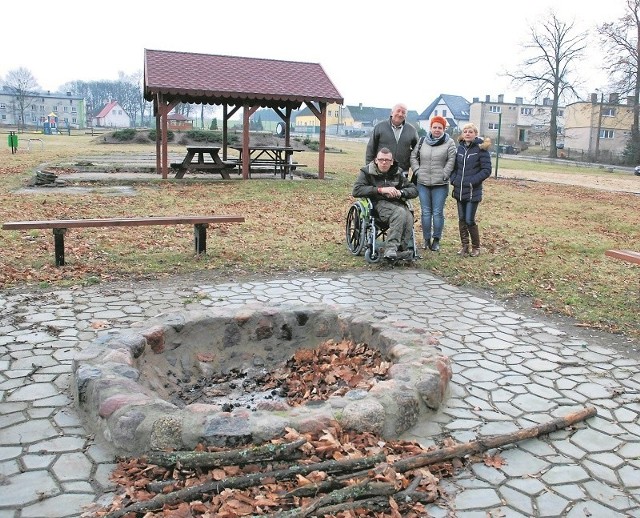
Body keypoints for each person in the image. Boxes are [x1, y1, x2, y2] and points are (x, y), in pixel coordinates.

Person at [352, 147, 418, 260]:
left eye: (387, 160)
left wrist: (400, 192)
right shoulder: (367, 172)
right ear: (376, 160)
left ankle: (401, 249)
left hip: (396, 202)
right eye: (381, 159)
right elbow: (357, 190)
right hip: (377, 205)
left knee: (408, 215)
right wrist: (380, 190)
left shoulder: (398, 173)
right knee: (400, 213)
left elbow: (414, 190)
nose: (384, 162)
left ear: (392, 161)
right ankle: (391, 249)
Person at [410, 115, 457, 252]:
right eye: (434, 127)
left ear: (444, 129)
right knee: (425, 212)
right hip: (423, 182)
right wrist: (417, 170)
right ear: (430, 127)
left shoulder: (450, 143)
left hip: (440, 184)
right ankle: (426, 239)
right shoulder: (422, 141)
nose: (437, 130)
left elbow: (451, 160)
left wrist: (445, 174)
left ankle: (436, 240)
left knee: (437, 212)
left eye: (440, 127)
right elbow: (413, 156)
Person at [449, 122, 492, 257]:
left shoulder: (481, 149)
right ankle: (464, 246)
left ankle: (476, 247)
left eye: (470, 131)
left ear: (475, 134)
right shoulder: (459, 149)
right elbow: (454, 167)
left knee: (469, 220)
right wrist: (454, 179)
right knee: (461, 219)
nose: (467, 133)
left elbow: (486, 170)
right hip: (459, 191)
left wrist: (472, 181)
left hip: (473, 191)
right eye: (465, 131)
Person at [365, 103, 418, 172]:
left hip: (402, 171)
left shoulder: (411, 130)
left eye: (403, 112)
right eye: (398, 111)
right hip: (381, 169)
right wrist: (369, 168)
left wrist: (409, 164)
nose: (400, 114)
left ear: (406, 115)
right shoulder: (380, 127)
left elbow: (417, 151)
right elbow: (371, 149)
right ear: (392, 113)